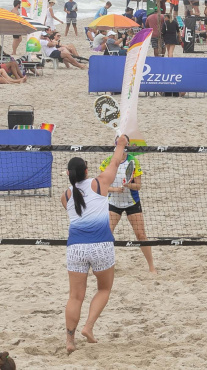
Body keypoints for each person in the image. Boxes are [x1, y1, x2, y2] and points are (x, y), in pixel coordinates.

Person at [62, 135, 128, 354]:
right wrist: (121, 144)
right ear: (87, 171)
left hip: (76, 248)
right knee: (104, 288)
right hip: (101, 245)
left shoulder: (66, 195)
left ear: (68, 174)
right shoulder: (99, 183)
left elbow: (77, 207)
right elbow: (115, 162)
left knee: (75, 297)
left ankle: (70, 341)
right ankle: (88, 327)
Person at [102, 151, 155, 273]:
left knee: (141, 235)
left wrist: (128, 185)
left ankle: (151, 266)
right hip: (114, 202)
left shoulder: (133, 161)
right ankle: (104, 266)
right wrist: (115, 189)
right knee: (106, 235)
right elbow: (103, 186)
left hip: (132, 202)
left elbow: (138, 186)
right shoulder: (108, 161)